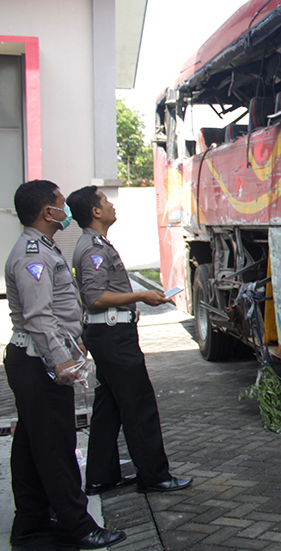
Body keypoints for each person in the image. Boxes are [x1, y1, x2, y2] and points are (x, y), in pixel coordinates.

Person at [4, 180, 127, 549]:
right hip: (37, 363)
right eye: (61, 204)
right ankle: (78, 526)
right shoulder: (33, 255)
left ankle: (31, 524)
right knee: (57, 448)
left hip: (34, 360)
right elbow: (40, 318)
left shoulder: (45, 248)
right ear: (47, 213)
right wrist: (63, 363)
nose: (66, 210)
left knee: (31, 445)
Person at [67, 186, 192, 496]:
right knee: (138, 405)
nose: (112, 205)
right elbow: (95, 297)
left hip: (108, 335)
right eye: (106, 201)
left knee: (108, 407)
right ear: (95, 212)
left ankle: (101, 475)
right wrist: (141, 295)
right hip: (114, 336)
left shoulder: (95, 244)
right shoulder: (94, 248)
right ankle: (154, 476)